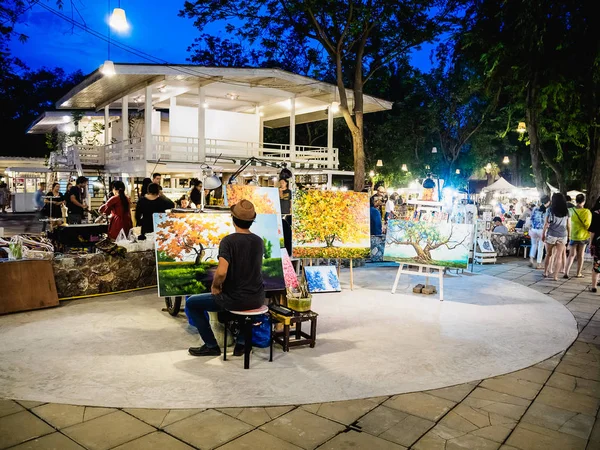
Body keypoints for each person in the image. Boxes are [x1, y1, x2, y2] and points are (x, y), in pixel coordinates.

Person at [186, 200, 265, 357]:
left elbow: (221, 272)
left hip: (234, 299)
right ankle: (241, 344)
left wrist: (215, 286)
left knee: (191, 303)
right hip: (257, 298)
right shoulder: (258, 241)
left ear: (233, 218)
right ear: (252, 220)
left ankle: (211, 345)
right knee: (244, 307)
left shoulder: (228, 241)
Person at [542, 193, 571, 281]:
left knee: (549, 255)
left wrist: (543, 234)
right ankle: (555, 276)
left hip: (551, 234)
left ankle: (546, 272)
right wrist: (569, 236)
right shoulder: (567, 211)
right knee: (559, 256)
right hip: (562, 235)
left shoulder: (550, 210)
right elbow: (568, 225)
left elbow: (546, 224)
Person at [564, 194, 591, 278]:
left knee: (571, 255)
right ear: (584, 201)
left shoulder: (570, 210)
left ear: (575, 201)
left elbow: (567, 222)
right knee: (581, 255)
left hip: (573, 235)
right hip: (583, 236)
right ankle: (578, 273)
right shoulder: (587, 212)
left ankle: (566, 272)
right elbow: (588, 225)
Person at [529, 195, 550, 268]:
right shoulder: (547, 211)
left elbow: (531, 219)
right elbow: (547, 222)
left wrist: (530, 227)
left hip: (534, 229)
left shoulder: (534, 208)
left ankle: (531, 259)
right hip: (542, 230)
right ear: (548, 202)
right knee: (541, 247)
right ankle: (538, 263)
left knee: (534, 244)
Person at [588, 197, 600, 293]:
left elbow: (592, 231)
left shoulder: (596, 214)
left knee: (597, 263)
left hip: (598, 242)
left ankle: (594, 286)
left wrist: (590, 243)